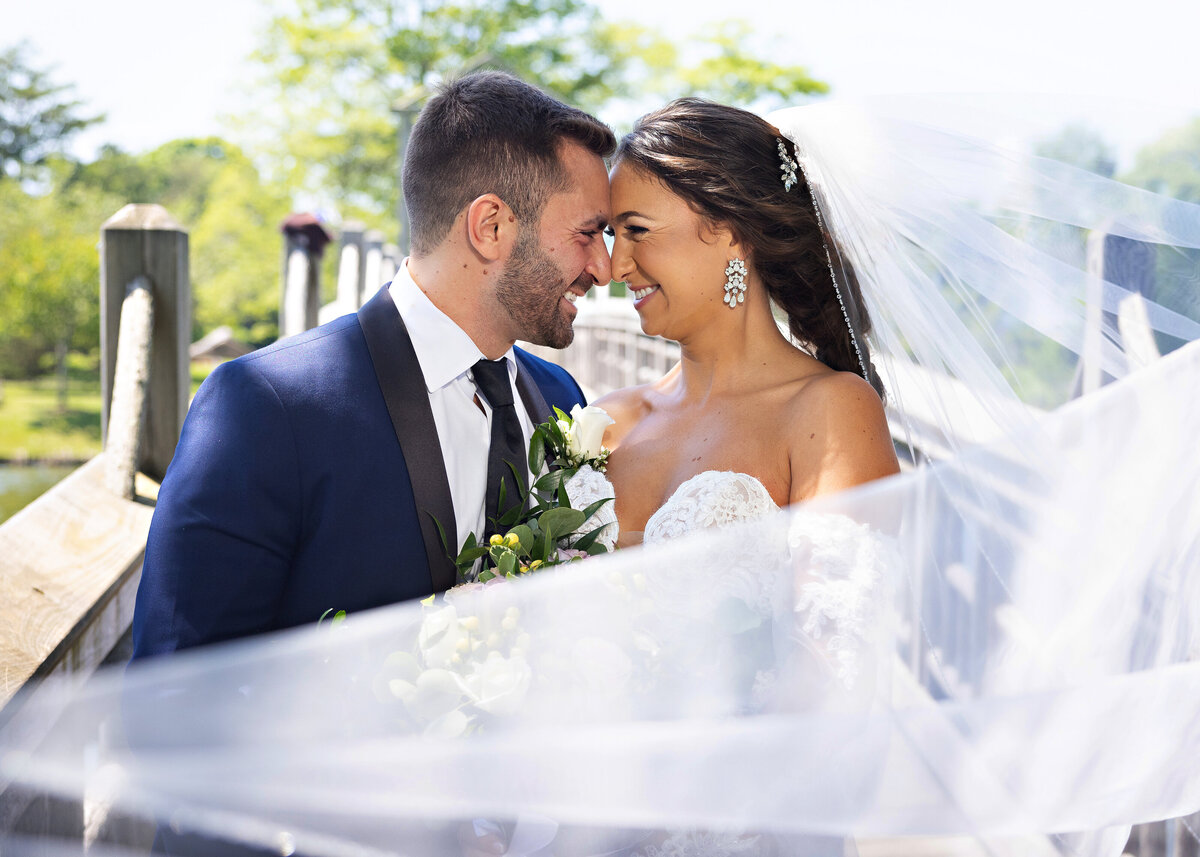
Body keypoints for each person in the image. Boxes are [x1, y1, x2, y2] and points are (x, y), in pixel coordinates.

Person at [130, 71, 615, 659]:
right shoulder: (264, 408)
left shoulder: (562, 400)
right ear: (490, 227)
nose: (605, 267)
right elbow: (174, 680)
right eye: (589, 233)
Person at [595, 99, 901, 544]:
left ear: (735, 233)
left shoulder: (830, 410)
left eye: (637, 230)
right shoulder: (607, 421)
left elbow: (841, 590)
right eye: (612, 235)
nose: (615, 267)